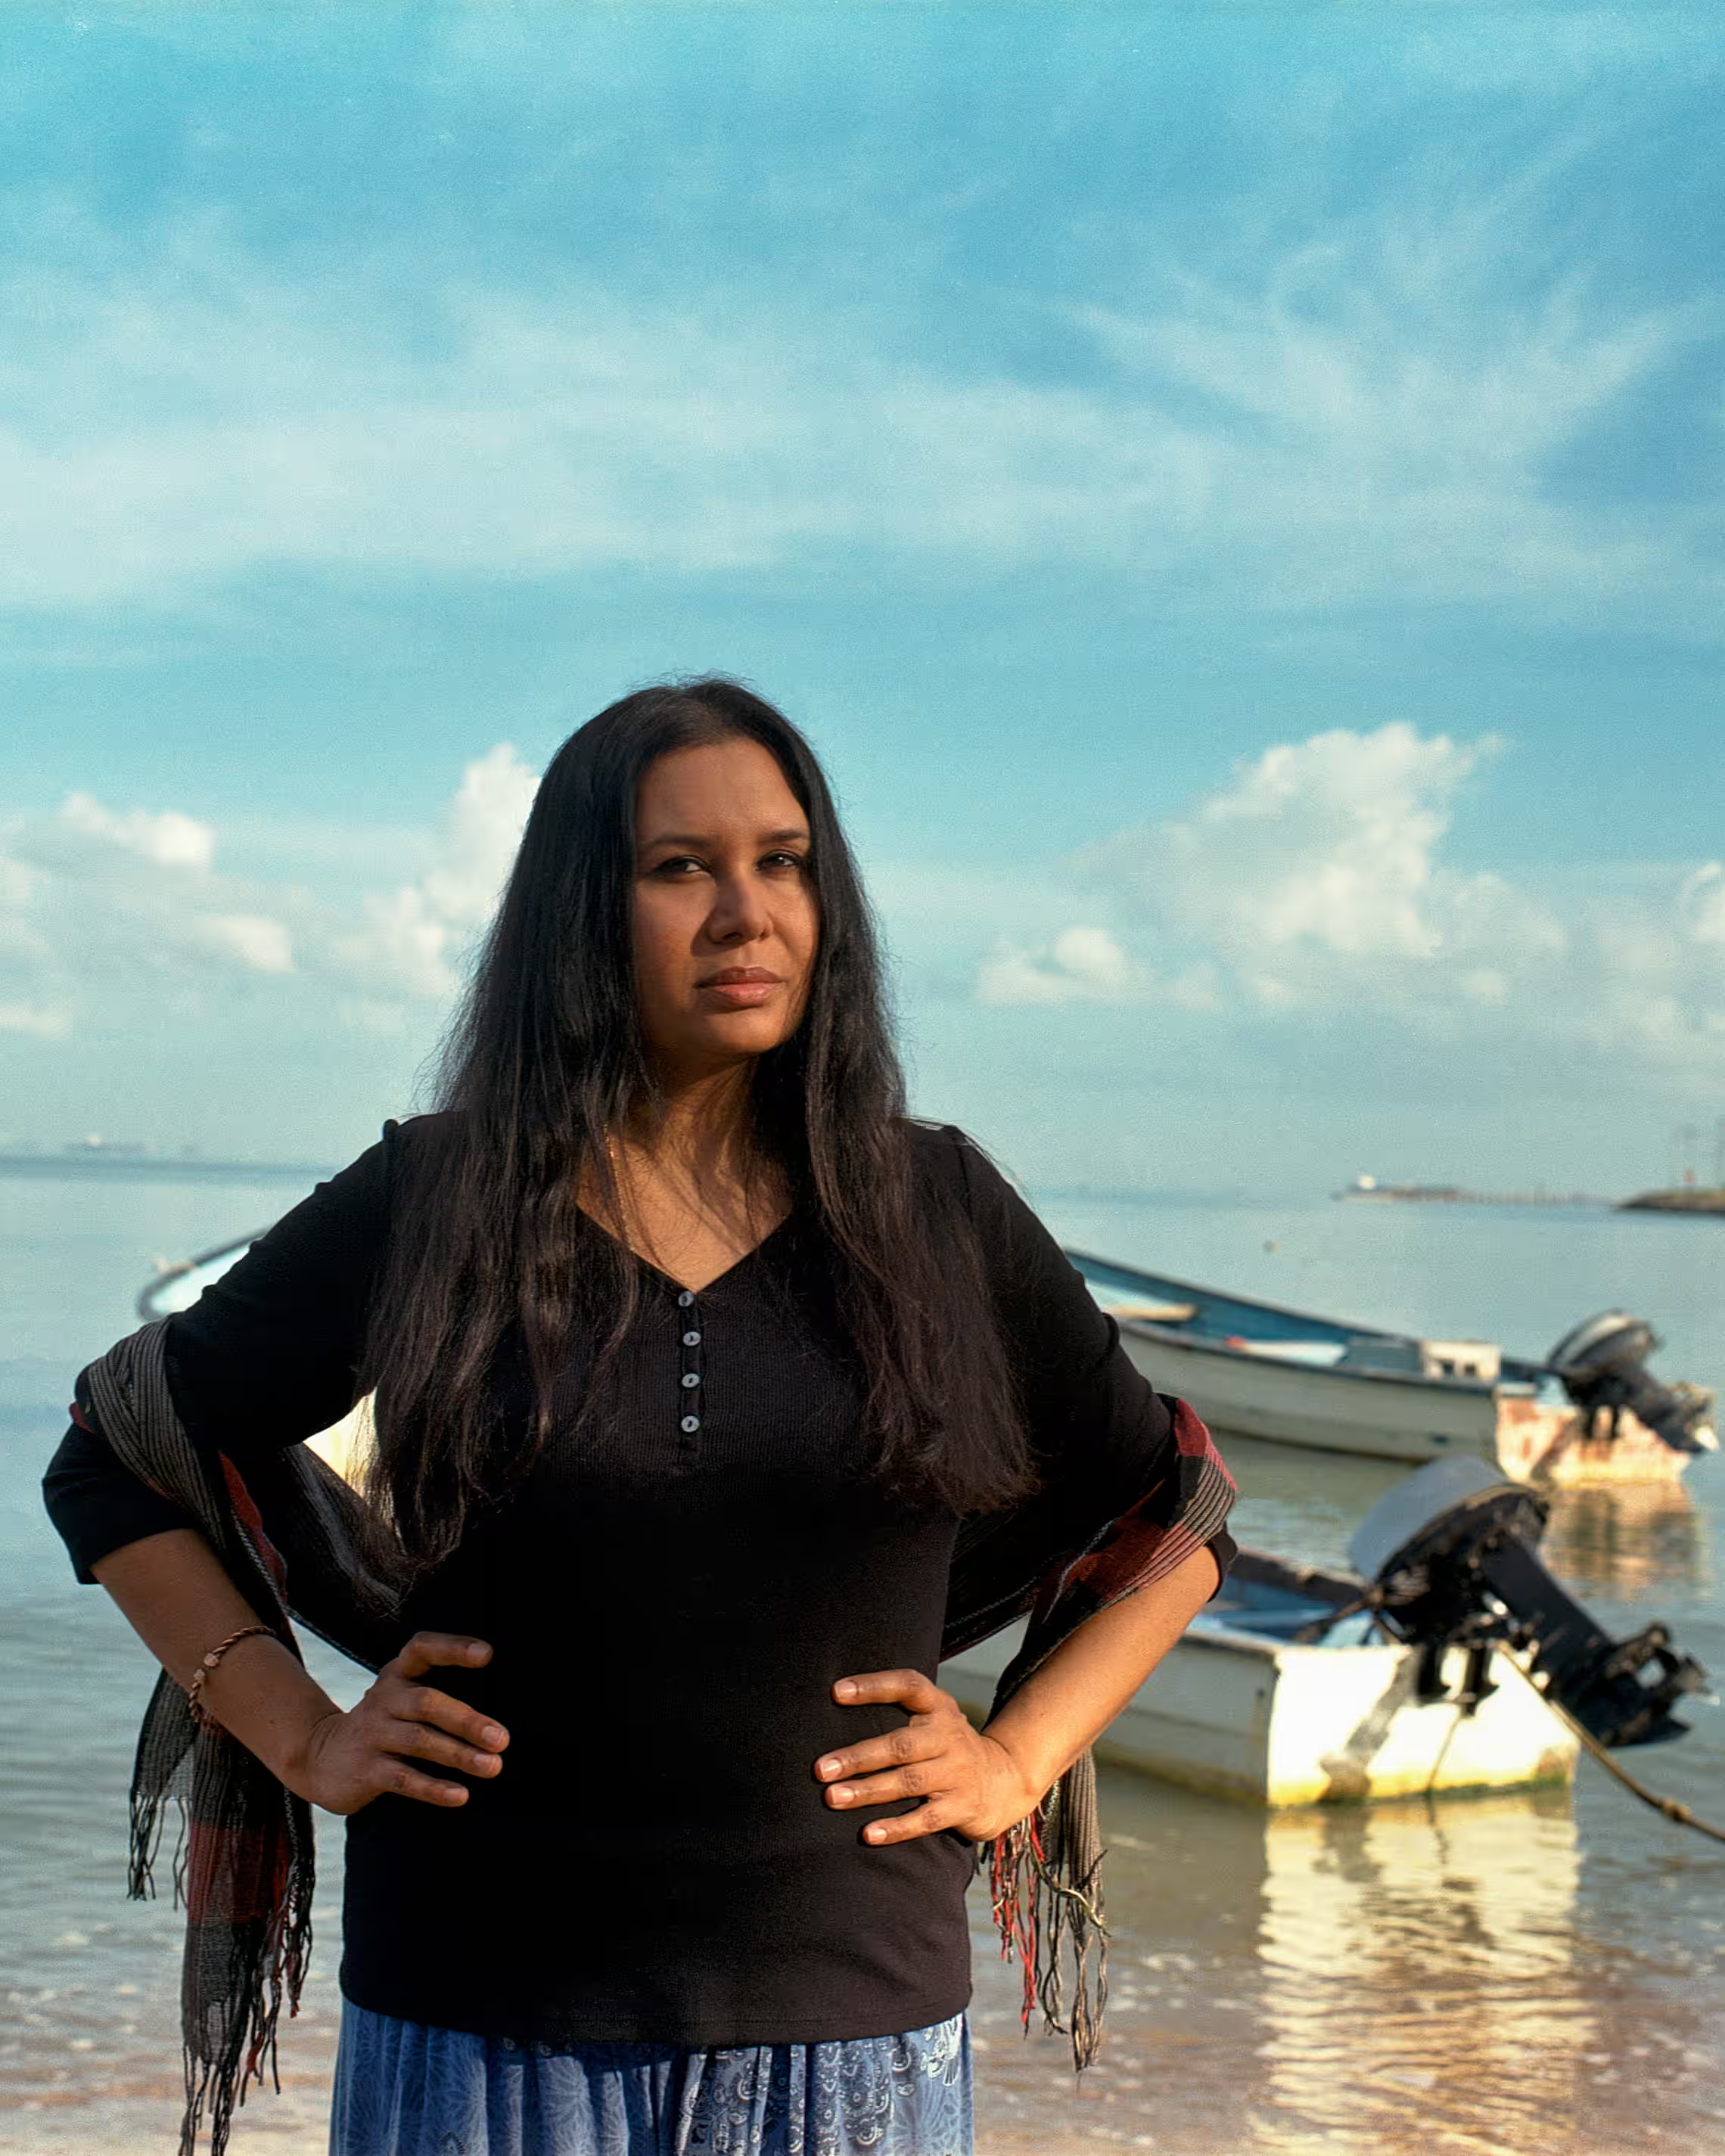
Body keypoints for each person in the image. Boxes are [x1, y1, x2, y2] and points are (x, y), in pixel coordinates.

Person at [42, 678, 1238, 2156]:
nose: (745, 911)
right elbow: (117, 1454)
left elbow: (1171, 1500)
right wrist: (297, 1732)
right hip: (481, 2020)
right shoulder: (437, 1199)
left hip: (851, 2027)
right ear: (579, 913)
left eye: (783, 862)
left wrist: (1016, 1758)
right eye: (682, 867)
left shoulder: (934, 1209)